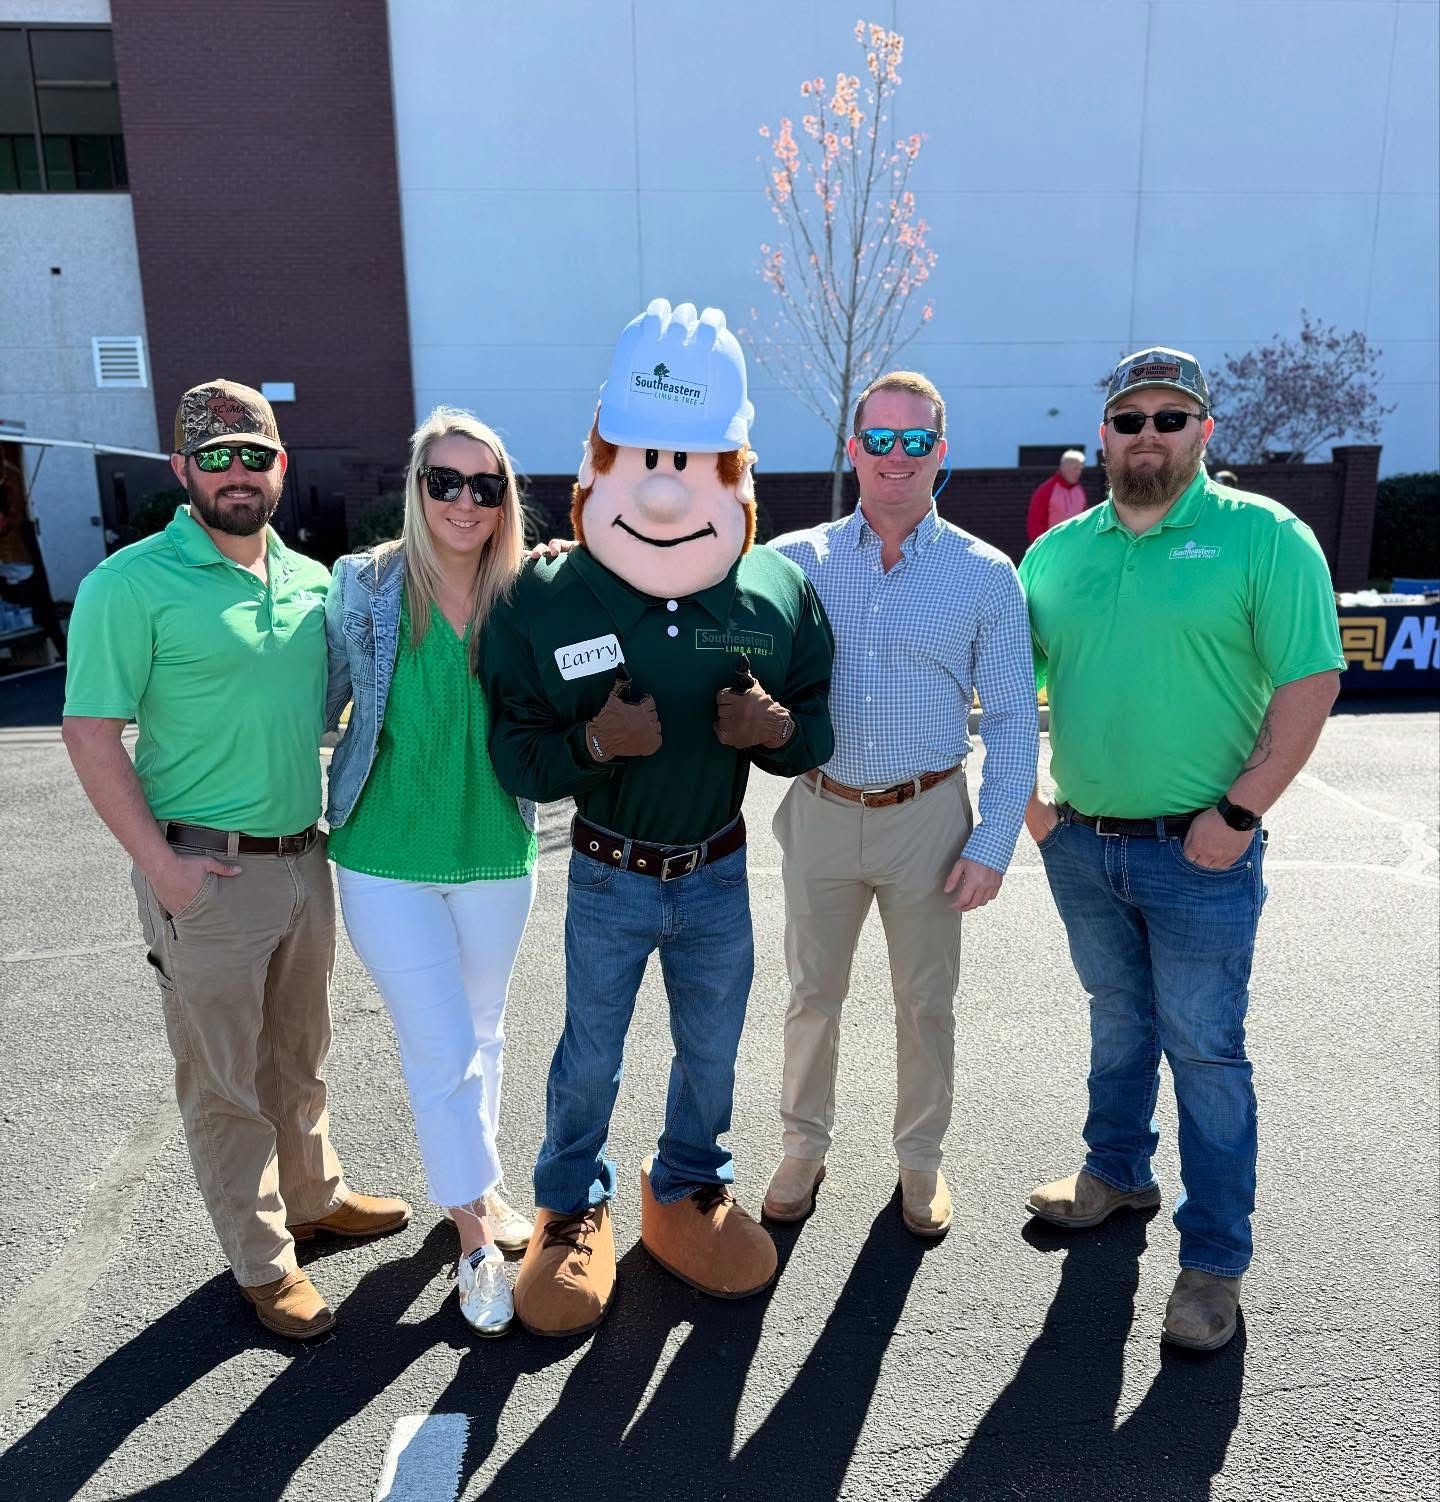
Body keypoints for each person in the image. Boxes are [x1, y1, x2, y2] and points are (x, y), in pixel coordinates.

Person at [482, 299, 835, 1337]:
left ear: (737, 471)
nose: (668, 483)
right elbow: (513, 748)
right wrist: (595, 746)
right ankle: (571, 1206)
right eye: (643, 451)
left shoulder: (772, 588)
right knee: (589, 1050)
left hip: (717, 869)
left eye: (697, 456)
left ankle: (684, 1186)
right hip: (609, 869)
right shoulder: (546, 597)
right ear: (600, 456)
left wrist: (772, 729)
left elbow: (815, 730)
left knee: (714, 1049)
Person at [61, 380, 410, 1341]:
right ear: (182, 471)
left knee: (299, 1055)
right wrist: (160, 867)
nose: (237, 474)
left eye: (254, 455)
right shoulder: (127, 585)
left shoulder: (309, 583)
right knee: (224, 1079)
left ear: (281, 467)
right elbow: (90, 733)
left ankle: (315, 1195)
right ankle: (263, 1261)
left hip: (304, 863)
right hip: (205, 874)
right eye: (214, 458)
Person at [1019, 347, 1344, 1352]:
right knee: (1117, 1018)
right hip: (1083, 843)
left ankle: (1213, 1258)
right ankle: (1116, 1169)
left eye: (1170, 417)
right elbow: (1002, 670)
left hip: (1202, 849)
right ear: (1102, 434)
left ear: (1205, 430)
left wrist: (1240, 812)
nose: (1147, 435)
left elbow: (1310, 682)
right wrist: (1028, 805)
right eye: (1129, 418)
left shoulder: (1266, 539)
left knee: (1204, 1050)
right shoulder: (1057, 554)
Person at [764, 370, 1039, 1239]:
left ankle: (921, 1161)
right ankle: (803, 1147)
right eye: (878, 439)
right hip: (820, 808)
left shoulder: (985, 574)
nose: (895, 456)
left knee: (926, 1003)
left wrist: (993, 842)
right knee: (812, 994)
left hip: (929, 816)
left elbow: (1011, 719)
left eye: (915, 440)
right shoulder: (792, 561)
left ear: (940, 454)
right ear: (853, 449)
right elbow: (699, 609)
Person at [324, 407, 537, 1338]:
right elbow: (308, 701)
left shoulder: (530, 591)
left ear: (504, 501)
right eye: (443, 481)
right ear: (416, 489)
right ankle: (474, 1235)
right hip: (383, 855)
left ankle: (475, 1185)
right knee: (441, 1044)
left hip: (496, 848)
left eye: (484, 485)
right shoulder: (363, 587)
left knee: (484, 1031)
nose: (463, 500)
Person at [1026, 449, 1090, 542]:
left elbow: (1084, 520)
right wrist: (1042, 548)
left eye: (1080, 469)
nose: (1078, 472)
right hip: (1052, 547)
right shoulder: (1046, 490)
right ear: (1063, 468)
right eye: (1074, 468)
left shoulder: (1079, 491)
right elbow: (1034, 522)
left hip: (1075, 547)